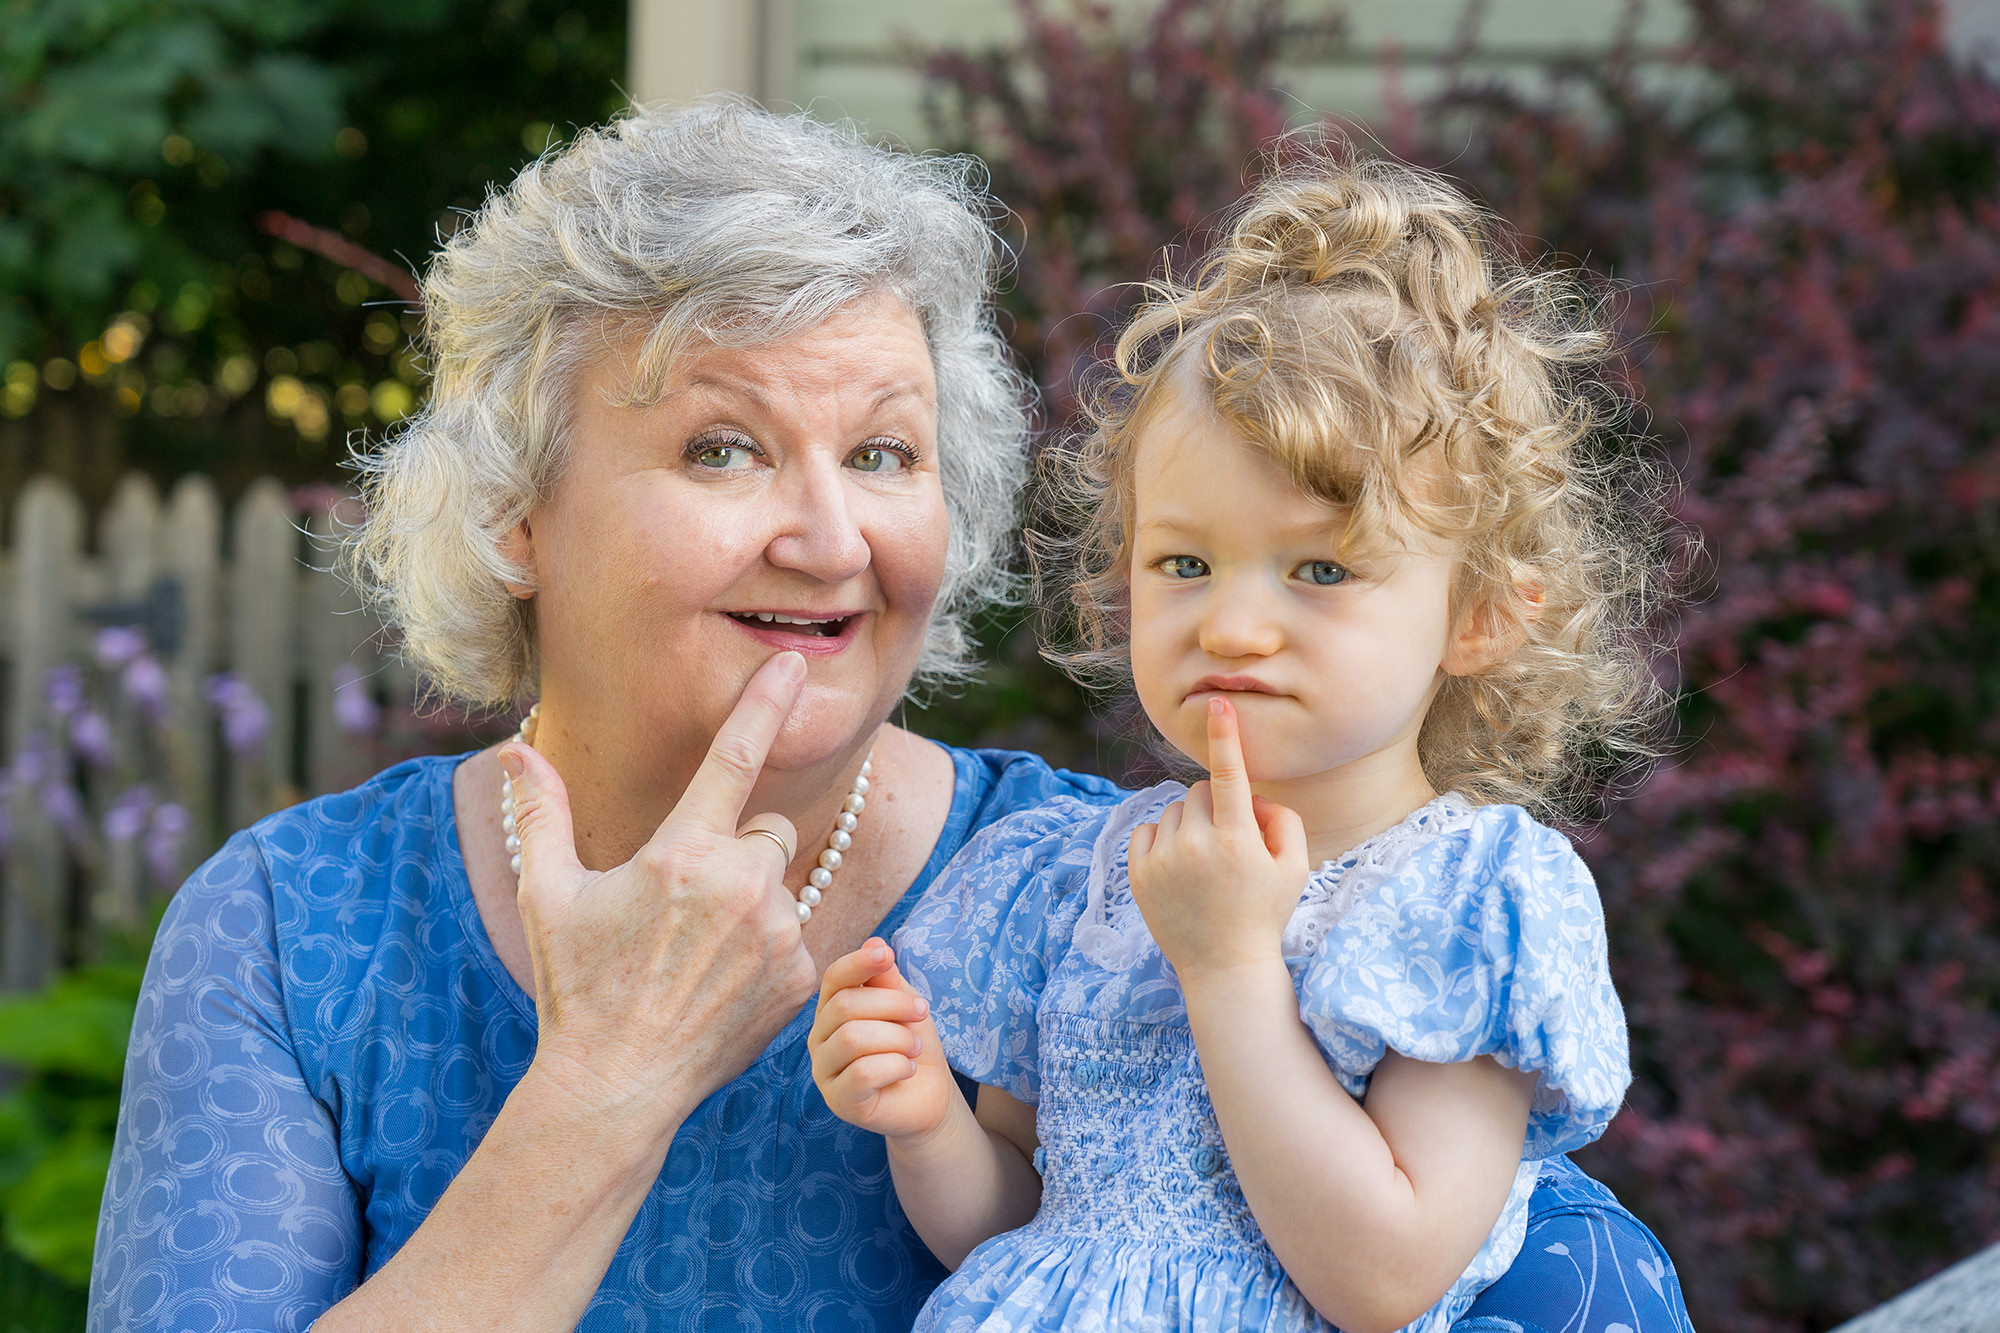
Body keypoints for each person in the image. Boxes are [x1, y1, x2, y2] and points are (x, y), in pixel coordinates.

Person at [86, 100, 1693, 1332]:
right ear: (518, 511)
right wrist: (608, 1080)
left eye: (883, 454)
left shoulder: (1125, 886)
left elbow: (1515, 1261)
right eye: (723, 449)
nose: (831, 537)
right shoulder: (298, 933)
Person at [810, 152, 1677, 1333]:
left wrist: (1228, 968)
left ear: (1475, 617)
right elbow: (1022, 1237)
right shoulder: (1075, 881)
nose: (1229, 620)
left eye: (1319, 568)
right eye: (1183, 563)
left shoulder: (1468, 903)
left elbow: (1383, 1277)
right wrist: (926, 1126)